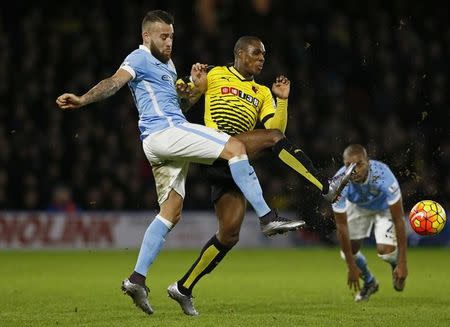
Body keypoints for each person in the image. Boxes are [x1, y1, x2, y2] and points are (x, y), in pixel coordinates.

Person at [55, 10, 304, 315]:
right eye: (163, 36)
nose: (169, 41)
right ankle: (267, 218)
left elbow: (179, 103)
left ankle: (136, 279)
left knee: (170, 213)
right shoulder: (138, 57)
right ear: (146, 36)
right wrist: (83, 99)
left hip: (162, 142)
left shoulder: (168, 65)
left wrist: (191, 91)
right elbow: (114, 82)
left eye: (172, 35)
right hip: (165, 131)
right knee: (236, 146)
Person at [167, 36, 356, 315]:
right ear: (240, 54)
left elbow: (276, 129)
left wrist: (281, 101)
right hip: (216, 145)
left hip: (235, 163)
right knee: (272, 139)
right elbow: (182, 102)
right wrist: (189, 84)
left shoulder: (262, 92)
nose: (261, 59)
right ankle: (326, 186)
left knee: (229, 234)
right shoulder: (216, 73)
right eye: (256, 53)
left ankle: (183, 288)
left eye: (264, 56)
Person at [332, 144, 408, 302]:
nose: (354, 170)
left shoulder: (383, 175)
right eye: (348, 165)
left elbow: (399, 220)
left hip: (384, 208)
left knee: (385, 252)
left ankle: (394, 264)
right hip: (358, 207)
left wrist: (402, 262)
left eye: (359, 164)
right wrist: (351, 266)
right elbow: (341, 226)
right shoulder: (338, 183)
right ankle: (370, 282)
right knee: (349, 252)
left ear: (368, 161)